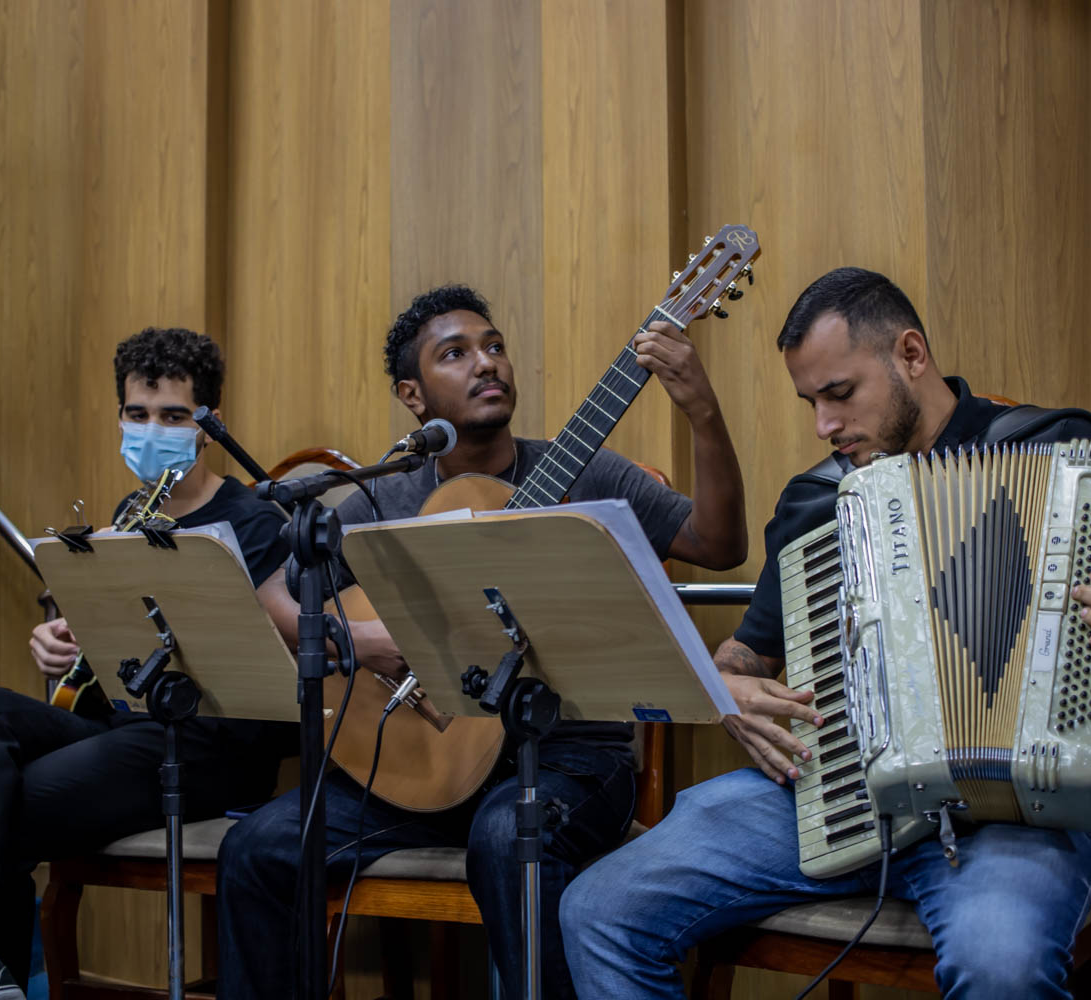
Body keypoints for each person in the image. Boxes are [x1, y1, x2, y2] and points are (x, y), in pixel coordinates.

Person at [560, 267, 1091, 999]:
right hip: (830, 800)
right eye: (810, 401)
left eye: (840, 394)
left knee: (1002, 966)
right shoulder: (817, 502)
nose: (823, 425)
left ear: (910, 354)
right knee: (597, 910)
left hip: (1010, 817)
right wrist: (727, 689)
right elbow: (743, 655)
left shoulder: (1058, 450)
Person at [216, 283, 749, 999]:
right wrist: (357, 635)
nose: (486, 363)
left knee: (507, 838)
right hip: (429, 759)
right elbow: (273, 593)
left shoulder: (584, 468)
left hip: (569, 755)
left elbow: (720, 545)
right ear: (414, 395)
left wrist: (702, 412)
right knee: (257, 848)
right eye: (456, 353)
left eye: (494, 346)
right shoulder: (386, 496)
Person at [0, 328, 298, 1000]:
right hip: (121, 728)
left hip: (211, 743)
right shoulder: (129, 513)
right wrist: (64, 645)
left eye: (172, 415)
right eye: (136, 414)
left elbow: (275, 683)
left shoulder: (257, 521)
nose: (151, 429)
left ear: (207, 425)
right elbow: (110, 655)